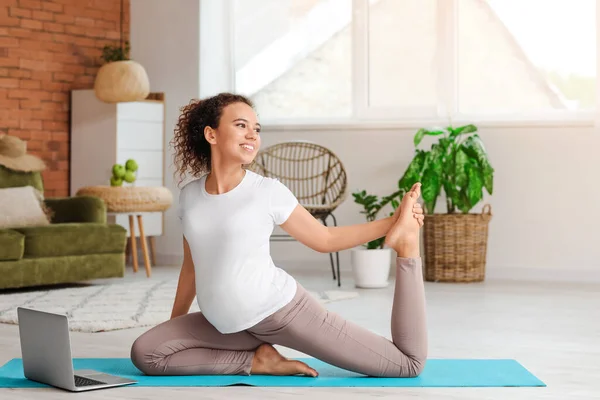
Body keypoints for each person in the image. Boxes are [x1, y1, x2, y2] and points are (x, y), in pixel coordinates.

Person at [130, 93, 428, 378]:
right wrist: (176, 325)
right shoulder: (189, 197)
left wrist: (394, 222)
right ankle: (257, 361)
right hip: (226, 326)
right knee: (147, 352)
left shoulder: (266, 192)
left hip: (281, 313)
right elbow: (191, 267)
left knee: (406, 364)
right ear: (211, 134)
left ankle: (407, 244)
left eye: (256, 129)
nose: (252, 135)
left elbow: (324, 240)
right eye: (241, 125)